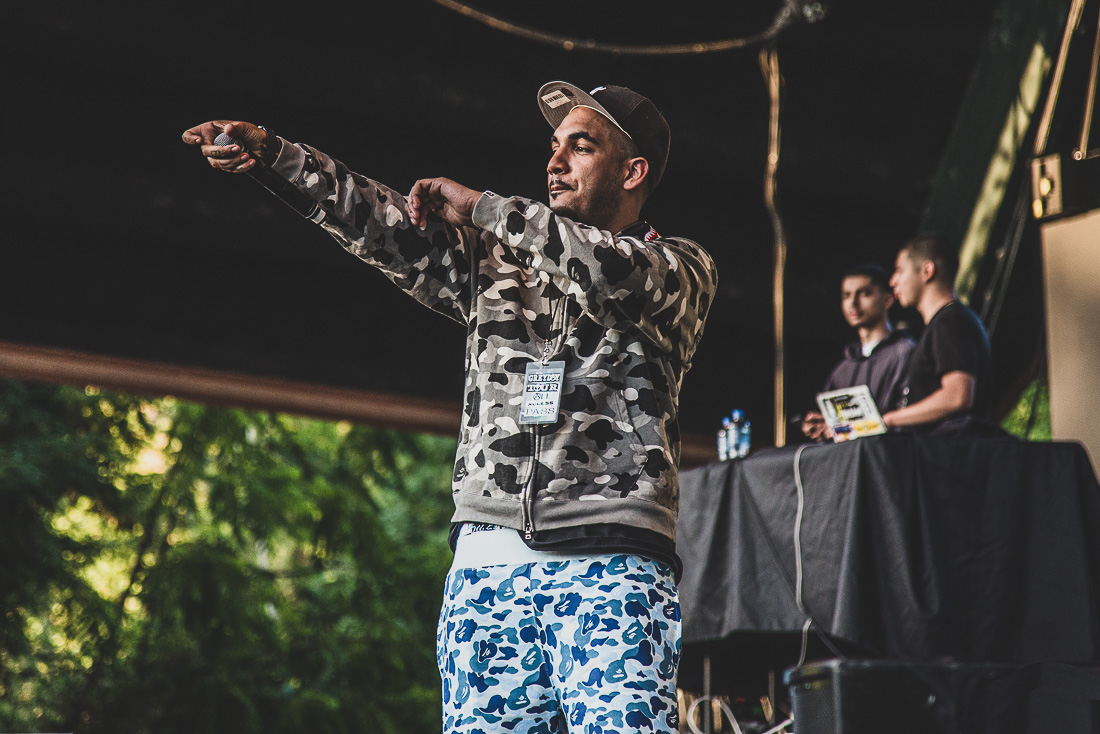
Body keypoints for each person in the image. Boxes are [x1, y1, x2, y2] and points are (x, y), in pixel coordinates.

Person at [183, 81, 717, 734]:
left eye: (582, 146)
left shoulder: (678, 269)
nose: (555, 161)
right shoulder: (495, 266)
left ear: (632, 171)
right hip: (485, 575)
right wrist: (276, 155)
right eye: (553, 146)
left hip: (611, 572)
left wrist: (486, 207)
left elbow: (611, 270)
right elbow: (377, 222)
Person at [881, 233, 992, 431]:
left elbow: (957, 396)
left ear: (927, 271)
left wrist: (889, 420)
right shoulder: (945, 323)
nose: (892, 281)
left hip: (949, 452)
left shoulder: (950, 322)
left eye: (899, 270)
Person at [801, 264, 915, 441]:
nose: (853, 303)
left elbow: (909, 415)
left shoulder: (905, 352)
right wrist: (822, 426)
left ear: (888, 299)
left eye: (864, 293)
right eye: (846, 295)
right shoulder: (843, 368)